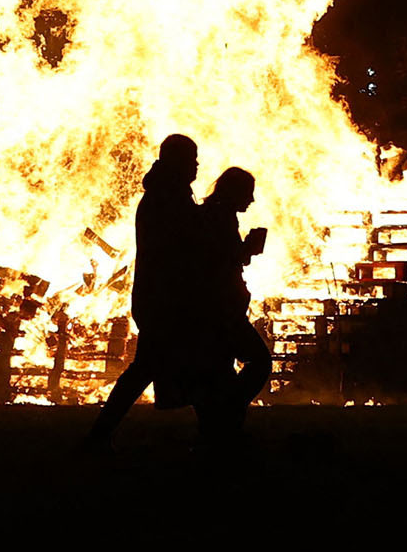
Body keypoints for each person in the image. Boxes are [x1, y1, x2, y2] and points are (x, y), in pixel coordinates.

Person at [84, 133, 204, 449]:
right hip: (165, 300)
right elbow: (181, 245)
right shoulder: (167, 199)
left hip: (161, 299)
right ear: (177, 163)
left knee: (169, 367)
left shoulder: (167, 194)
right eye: (191, 160)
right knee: (156, 368)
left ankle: (216, 435)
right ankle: (218, 436)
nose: (196, 167)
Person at [191, 166, 273, 443]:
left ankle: (218, 434)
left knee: (220, 370)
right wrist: (247, 249)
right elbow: (222, 260)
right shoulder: (219, 217)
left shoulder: (212, 214)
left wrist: (243, 252)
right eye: (248, 193)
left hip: (215, 307)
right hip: (221, 309)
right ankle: (225, 420)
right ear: (234, 192)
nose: (251, 200)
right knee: (259, 362)